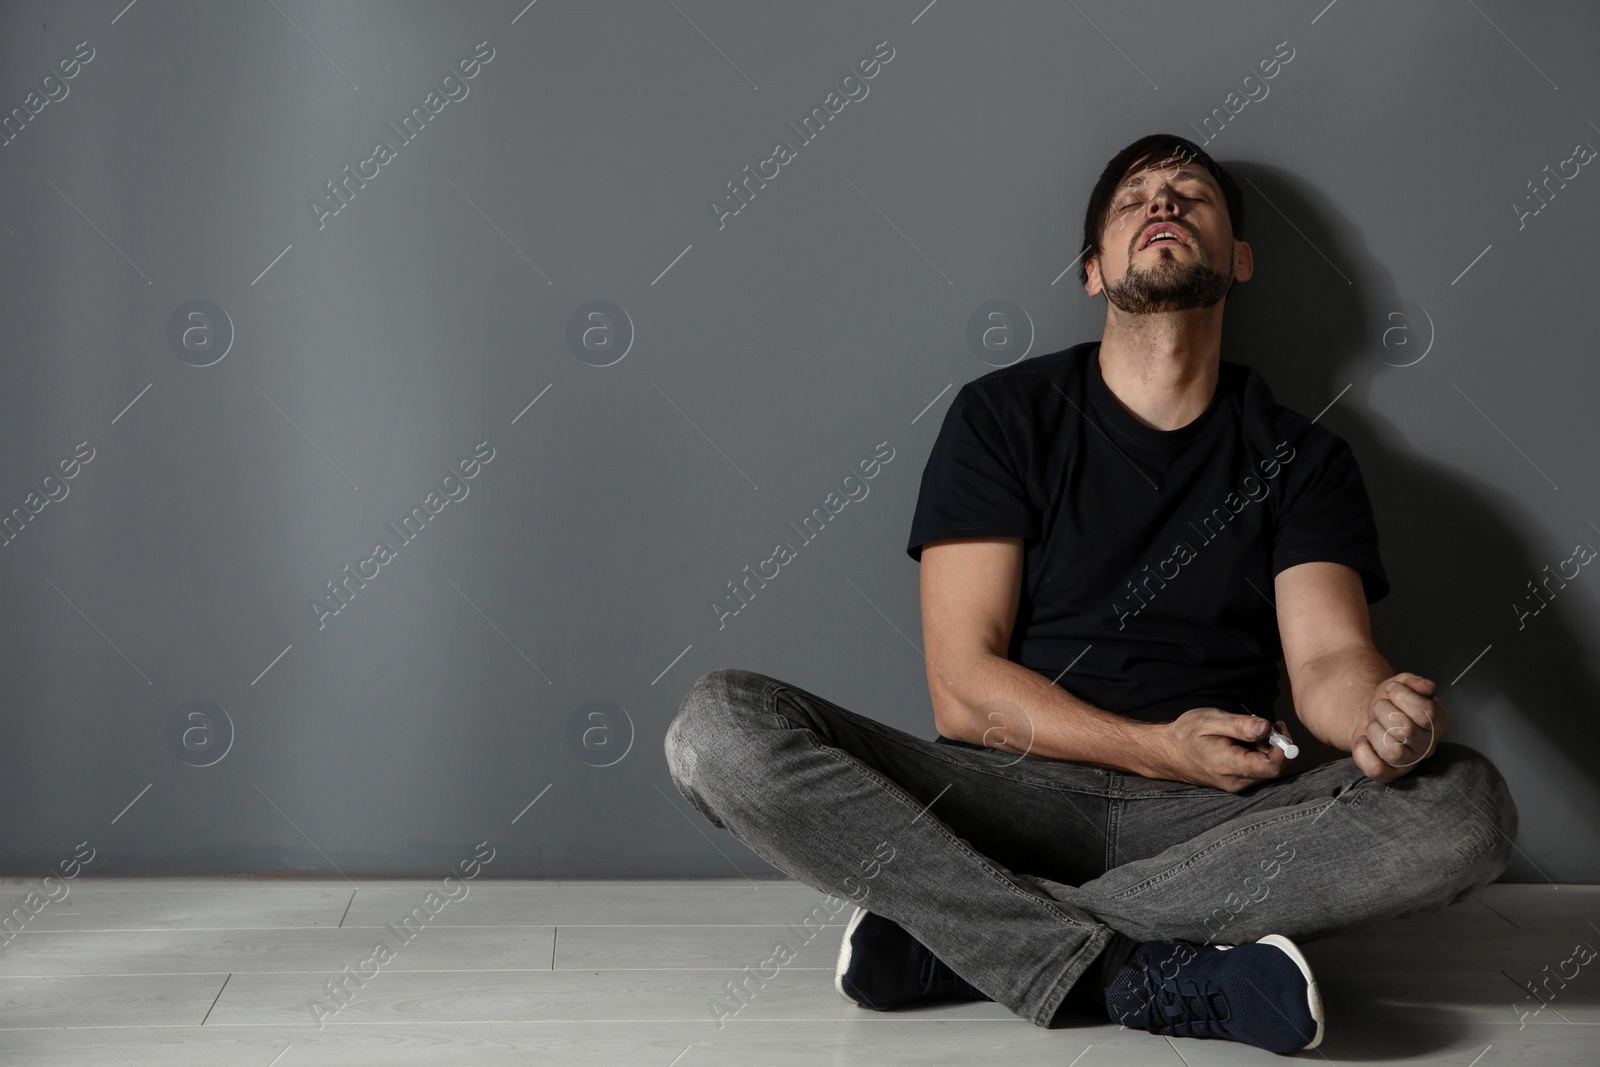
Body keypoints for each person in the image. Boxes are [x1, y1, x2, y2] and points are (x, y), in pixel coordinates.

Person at [663, 133, 1518, 1055]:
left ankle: (965, 942)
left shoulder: (1304, 459)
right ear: (1091, 271)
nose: (1163, 203)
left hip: (1219, 821)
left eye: (1191, 194)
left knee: (1467, 803)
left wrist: (1379, 717)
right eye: (1133, 199)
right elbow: (962, 687)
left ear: (1239, 259)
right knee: (718, 729)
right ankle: (1138, 973)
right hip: (1009, 800)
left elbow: (1328, 663)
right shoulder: (1001, 417)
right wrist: (1158, 748)